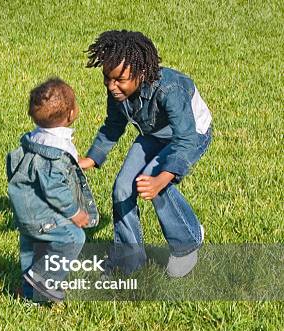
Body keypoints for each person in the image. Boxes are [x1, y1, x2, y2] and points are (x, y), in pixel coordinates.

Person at [78, 30, 212, 277]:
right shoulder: (117, 89)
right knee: (122, 188)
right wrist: (92, 158)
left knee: (153, 182)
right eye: (107, 78)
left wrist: (161, 179)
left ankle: (188, 242)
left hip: (191, 134)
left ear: (140, 73)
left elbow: (185, 139)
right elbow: (113, 125)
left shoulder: (170, 89)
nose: (111, 86)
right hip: (154, 135)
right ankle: (130, 259)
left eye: (119, 80)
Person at [6, 78, 99, 302]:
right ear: (70, 114)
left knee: (32, 248)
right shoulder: (53, 155)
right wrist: (74, 213)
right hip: (43, 216)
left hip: (26, 213)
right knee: (73, 238)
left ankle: (28, 295)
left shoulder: (35, 141)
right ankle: (42, 280)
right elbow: (55, 189)